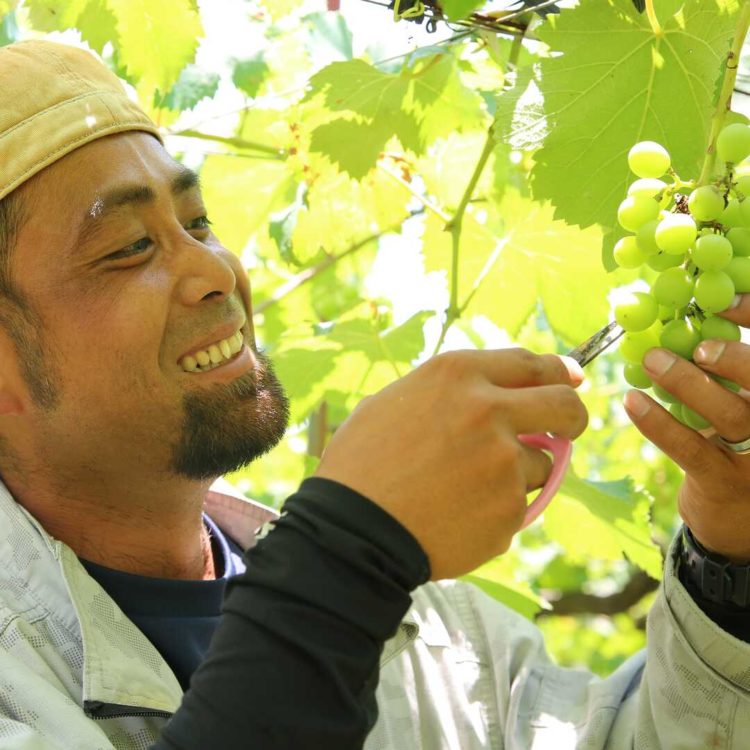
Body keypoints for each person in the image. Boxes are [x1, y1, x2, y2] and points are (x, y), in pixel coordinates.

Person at [0, 39, 748, 750]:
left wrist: (731, 562)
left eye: (199, 222)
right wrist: (348, 557)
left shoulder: (436, 629)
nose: (216, 270)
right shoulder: (359, 581)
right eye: (130, 246)